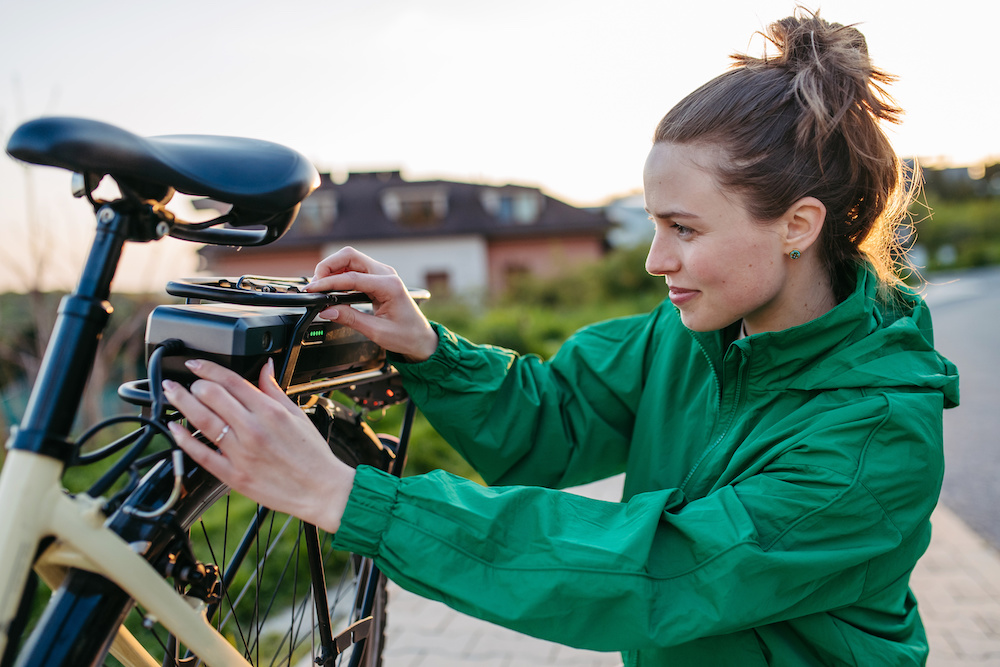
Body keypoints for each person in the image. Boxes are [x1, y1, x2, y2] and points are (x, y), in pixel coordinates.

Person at [163, 8, 959, 666]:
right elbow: (558, 415)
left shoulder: (875, 435)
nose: (657, 259)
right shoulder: (693, 333)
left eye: (684, 227)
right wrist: (431, 351)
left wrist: (346, 497)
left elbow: (657, 573)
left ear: (797, 226)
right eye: (654, 225)